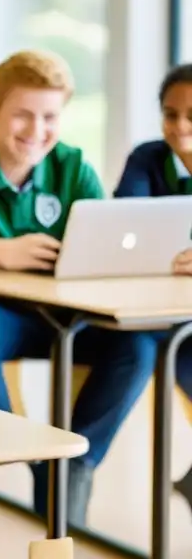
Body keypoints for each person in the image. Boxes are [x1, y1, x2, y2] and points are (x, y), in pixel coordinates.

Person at [0, 49, 157, 527]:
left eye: (50, 117)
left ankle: (73, 465)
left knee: (138, 346)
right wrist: (7, 250)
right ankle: (32, 458)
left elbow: (107, 244)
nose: (36, 131)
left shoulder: (73, 166)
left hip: (47, 314)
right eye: (22, 115)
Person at [113, 63, 192, 501]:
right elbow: (125, 230)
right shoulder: (147, 159)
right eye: (170, 113)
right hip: (162, 317)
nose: (180, 127)